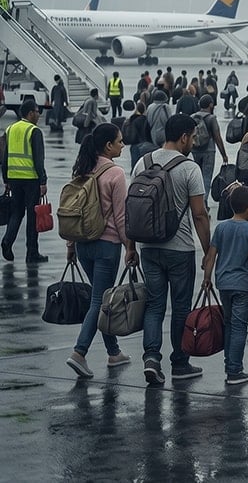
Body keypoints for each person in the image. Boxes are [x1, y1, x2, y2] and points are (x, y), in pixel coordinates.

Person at [135, 114, 211, 385]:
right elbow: (199, 215)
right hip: (180, 250)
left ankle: (151, 359)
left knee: (155, 305)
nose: (194, 141)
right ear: (183, 137)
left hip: (148, 247)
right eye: (193, 136)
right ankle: (180, 362)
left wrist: (130, 247)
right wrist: (208, 250)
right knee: (180, 308)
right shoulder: (190, 168)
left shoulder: (142, 163)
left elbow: (131, 209)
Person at [64, 123, 138, 378]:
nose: (123, 145)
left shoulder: (82, 167)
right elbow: (121, 217)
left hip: (83, 243)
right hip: (106, 245)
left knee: (101, 299)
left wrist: (71, 246)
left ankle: (114, 352)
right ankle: (79, 352)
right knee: (99, 301)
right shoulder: (116, 174)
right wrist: (130, 246)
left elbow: (74, 211)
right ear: (108, 145)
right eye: (119, 141)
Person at [201, 185, 248, 385]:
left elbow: (211, 256)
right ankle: (234, 370)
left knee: (229, 324)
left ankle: (229, 365)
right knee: (240, 327)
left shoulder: (221, 227)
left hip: (223, 284)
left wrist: (207, 279)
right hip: (242, 286)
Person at [2, 100, 49, 263]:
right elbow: (38, 159)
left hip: (14, 178)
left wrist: (6, 179)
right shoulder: (34, 131)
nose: (39, 115)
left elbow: (4, 156)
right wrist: (43, 181)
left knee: (16, 212)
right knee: (32, 216)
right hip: (31, 180)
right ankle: (32, 253)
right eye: (38, 112)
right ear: (31, 113)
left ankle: (7, 241)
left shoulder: (10, 129)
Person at [191, 95, 229, 198]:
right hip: (209, 151)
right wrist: (224, 155)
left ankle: (195, 200)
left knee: (195, 178)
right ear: (210, 104)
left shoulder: (193, 117)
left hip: (194, 150)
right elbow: (217, 137)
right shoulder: (211, 118)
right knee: (206, 177)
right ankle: (204, 201)